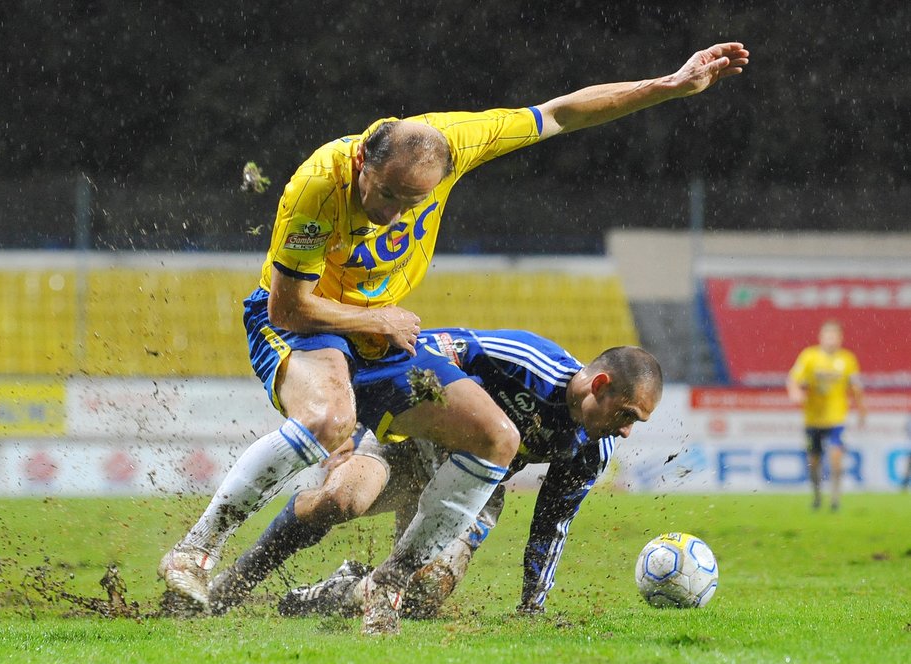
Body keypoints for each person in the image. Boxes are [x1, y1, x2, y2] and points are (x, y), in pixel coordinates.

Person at [158, 43, 748, 628]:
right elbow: (291, 310)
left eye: (411, 203)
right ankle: (194, 555)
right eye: (385, 195)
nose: (391, 215)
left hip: (379, 336)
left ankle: (382, 589)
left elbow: (564, 112)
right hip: (304, 322)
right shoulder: (317, 188)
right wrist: (377, 322)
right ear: (364, 159)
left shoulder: (457, 141)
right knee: (327, 421)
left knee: (498, 438)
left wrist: (667, 87)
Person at [197, 329, 662, 628]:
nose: (625, 430)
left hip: (476, 485)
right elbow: (425, 348)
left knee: (423, 596)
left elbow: (553, 521)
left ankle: (337, 590)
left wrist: (532, 606)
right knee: (340, 500)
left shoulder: (595, 444)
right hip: (410, 442)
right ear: (599, 385)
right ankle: (237, 580)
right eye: (627, 414)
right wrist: (356, 414)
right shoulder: (527, 360)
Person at [786, 320, 867, 511]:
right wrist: (795, 392)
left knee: (836, 458)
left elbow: (855, 387)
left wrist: (862, 409)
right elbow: (793, 379)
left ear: (840, 339)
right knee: (813, 462)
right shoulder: (809, 356)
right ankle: (817, 495)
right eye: (827, 336)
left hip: (836, 417)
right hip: (813, 418)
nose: (831, 340)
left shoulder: (847, 359)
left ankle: (835, 499)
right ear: (821, 338)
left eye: (834, 336)